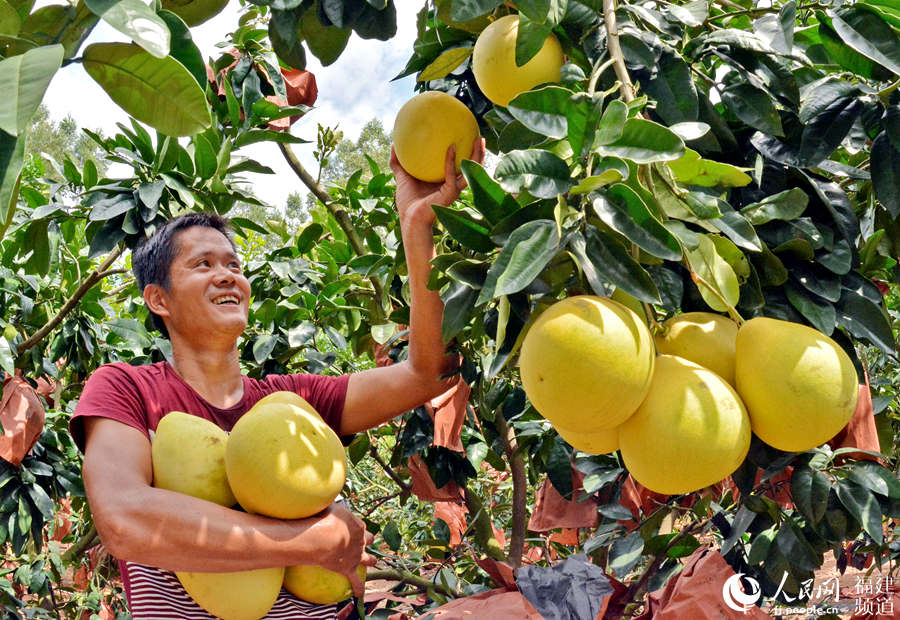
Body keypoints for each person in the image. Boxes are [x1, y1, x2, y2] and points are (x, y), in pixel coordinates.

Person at [71, 140, 485, 619]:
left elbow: (427, 373)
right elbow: (124, 518)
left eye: (234, 265)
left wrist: (418, 225)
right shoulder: (127, 389)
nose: (228, 276)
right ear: (158, 299)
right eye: (203, 265)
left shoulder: (291, 400)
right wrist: (307, 543)